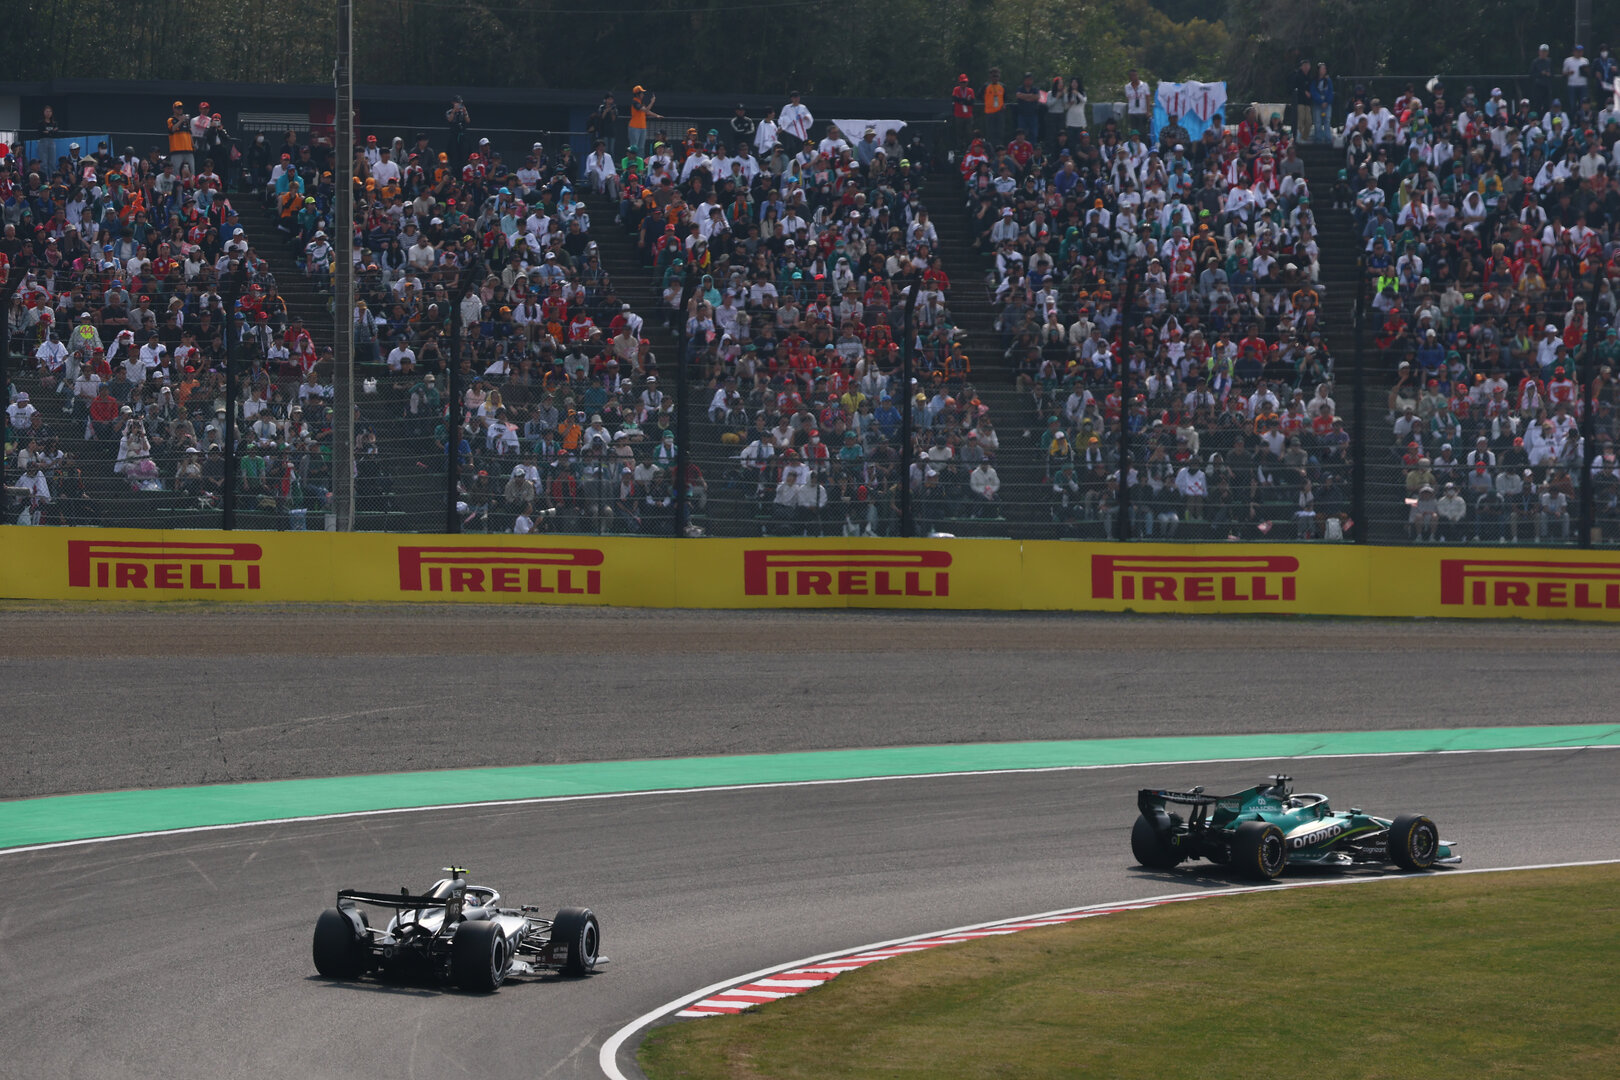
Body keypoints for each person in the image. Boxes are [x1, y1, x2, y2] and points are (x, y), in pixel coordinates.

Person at [779, 90, 813, 156]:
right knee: (791, 147)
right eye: (794, 97)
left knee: (801, 146)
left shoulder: (803, 107)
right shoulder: (786, 107)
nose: (796, 99)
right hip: (790, 130)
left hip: (800, 129)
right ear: (791, 98)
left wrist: (807, 117)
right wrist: (787, 121)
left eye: (797, 97)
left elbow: (809, 116)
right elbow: (781, 118)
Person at [627, 85, 659, 154]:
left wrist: (656, 115)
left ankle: (640, 163)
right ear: (637, 94)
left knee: (641, 148)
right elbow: (646, 110)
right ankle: (632, 163)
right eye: (641, 93)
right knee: (634, 147)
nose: (643, 94)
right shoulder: (635, 102)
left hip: (642, 127)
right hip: (634, 127)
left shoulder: (641, 102)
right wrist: (652, 102)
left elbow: (647, 111)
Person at [167, 101, 195, 174]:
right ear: (174, 109)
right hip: (177, 150)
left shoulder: (186, 120)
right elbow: (172, 129)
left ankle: (191, 185)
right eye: (178, 108)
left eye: (181, 108)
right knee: (176, 171)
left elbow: (190, 133)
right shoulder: (171, 120)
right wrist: (181, 120)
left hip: (188, 149)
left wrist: (193, 145)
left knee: (192, 170)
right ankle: (177, 185)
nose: (180, 110)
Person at [982, 67, 1007, 148]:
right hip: (989, 112)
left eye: (996, 76)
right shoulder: (986, 86)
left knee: (1000, 132)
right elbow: (979, 95)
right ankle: (990, 150)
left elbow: (1006, 97)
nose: (995, 78)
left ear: (999, 76)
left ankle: (1000, 149)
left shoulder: (1002, 86)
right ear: (990, 77)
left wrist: (1004, 104)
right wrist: (987, 101)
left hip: (999, 112)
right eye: (993, 76)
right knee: (990, 132)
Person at [1290, 58, 1313, 142]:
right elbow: (1294, 88)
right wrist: (1304, 92)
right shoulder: (1297, 76)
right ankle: (1299, 138)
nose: (1306, 67)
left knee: (1309, 121)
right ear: (1301, 67)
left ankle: (1304, 138)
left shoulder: (1310, 77)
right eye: (1305, 66)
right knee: (1301, 120)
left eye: (1308, 65)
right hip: (1299, 102)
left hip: (1307, 103)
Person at [1310, 62, 1334, 143]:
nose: (1324, 70)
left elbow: (1330, 92)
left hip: (1327, 105)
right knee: (1317, 122)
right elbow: (1313, 92)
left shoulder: (1328, 80)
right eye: (1322, 68)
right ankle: (1318, 139)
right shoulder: (1314, 81)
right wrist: (1320, 101)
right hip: (1317, 104)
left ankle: (1328, 139)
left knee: (1327, 121)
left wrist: (1326, 101)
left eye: (1325, 69)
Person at [951, 74, 977, 150]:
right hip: (958, 115)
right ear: (959, 83)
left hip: (968, 115)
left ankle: (969, 148)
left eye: (965, 82)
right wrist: (965, 101)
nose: (963, 84)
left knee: (969, 133)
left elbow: (971, 102)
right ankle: (959, 147)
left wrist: (961, 100)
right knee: (959, 133)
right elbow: (954, 98)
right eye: (962, 82)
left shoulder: (970, 90)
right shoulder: (956, 89)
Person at [445, 94, 471, 165]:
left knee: (464, 152)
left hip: (462, 135)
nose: (459, 104)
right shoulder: (449, 112)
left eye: (460, 103)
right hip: (453, 135)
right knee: (453, 152)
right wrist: (454, 111)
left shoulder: (463, 111)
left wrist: (465, 112)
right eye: (457, 102)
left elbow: (468, 121)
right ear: (453, 103)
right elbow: (449, 120)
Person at [1124, 69, 1151, 135]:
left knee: (1142, 131)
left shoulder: (1144, 85)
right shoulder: (1127, 87)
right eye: (1131, 76)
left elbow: (1148, 98)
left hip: (1142, 112)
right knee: (1133, 132)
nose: (1133, 77)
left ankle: (1143, 144)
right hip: (1132, 112)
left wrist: (1148, 111)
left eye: (1134, 75)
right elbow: (1128, 98)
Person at [37, 104, 59, 170]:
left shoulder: (54, 123)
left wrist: (48, 132)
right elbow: (42, 131)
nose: (48, 113)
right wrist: (52, 131)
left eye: (50, 111)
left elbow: (55, 131)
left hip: (51, 141)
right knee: (43, 162)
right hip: (43, 141)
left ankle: (52, 177)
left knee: (52, 161)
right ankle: (45, 178)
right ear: (44, 112)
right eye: (47, 111)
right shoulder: (41, 123)